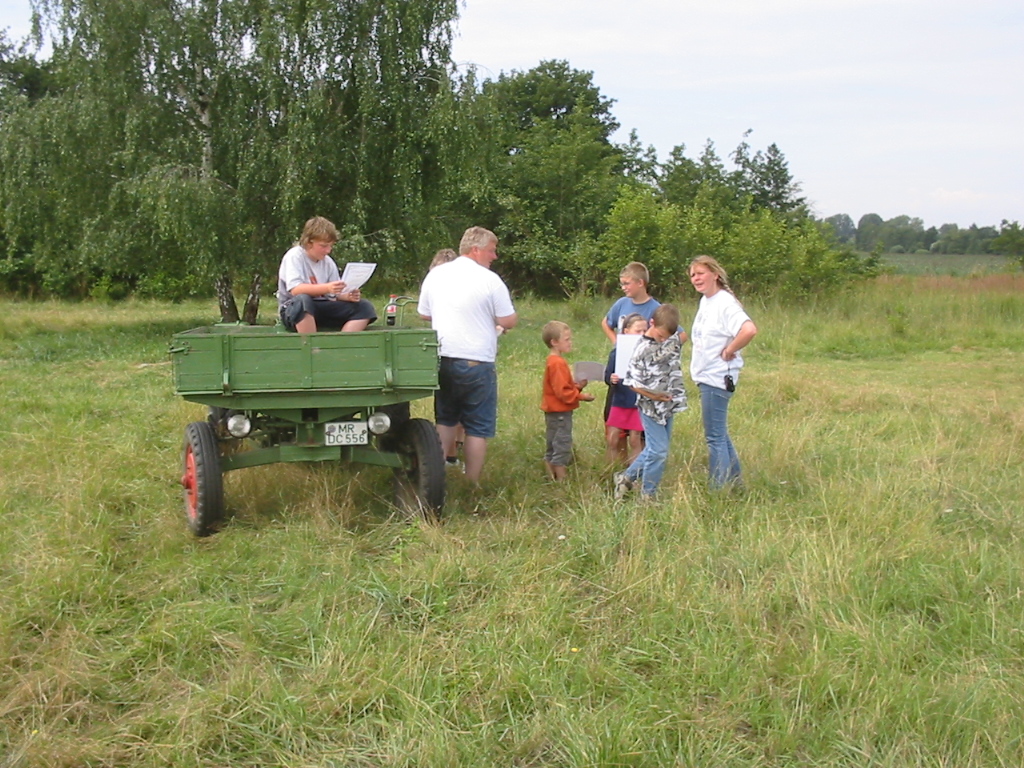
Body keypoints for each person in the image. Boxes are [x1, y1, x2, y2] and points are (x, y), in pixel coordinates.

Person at [418, 227, 518, 484]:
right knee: (477, 427)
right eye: (491, 251)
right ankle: (471, 482)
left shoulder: (436, 275)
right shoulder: (489, 280)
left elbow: (424, 313)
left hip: (442, 358)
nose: (494, 256)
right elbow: (508, 319)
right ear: (476, 250)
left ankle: (435, 480)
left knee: (446, 419)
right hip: (476, 361)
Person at [688, 255, 758, 490]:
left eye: (700, 273)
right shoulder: (706, 301)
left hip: (717, 378)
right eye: (692, 275)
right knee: (720, 433)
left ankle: (716, 490)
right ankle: (737, 485)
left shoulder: (725, 303)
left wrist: (730, 349)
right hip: (705, 376)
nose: (696, 278)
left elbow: (748, 330)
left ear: (715, 274)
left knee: (714, 438)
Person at [614, 304, 687, 502]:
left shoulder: (671, 338)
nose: (663, 339)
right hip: (650, 406)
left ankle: (625, 478)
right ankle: (648, 495)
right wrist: (654, 396)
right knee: (659, 451)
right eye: (661, 335)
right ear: (651, 323)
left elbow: (681, 335)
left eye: (667, 336)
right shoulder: (641, 348)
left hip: (669, 404)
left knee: (656, 449)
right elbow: (632, 383)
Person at [276, 216, 377, 333]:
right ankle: (311, 347)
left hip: (321, 307)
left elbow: (333, 295)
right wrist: (327, 287)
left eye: (330, 246)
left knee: (364, 306)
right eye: (323, 246)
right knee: (303, 300)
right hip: (293, 310)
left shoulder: (328, 262)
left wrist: (346, 296)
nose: (328, 250)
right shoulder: (295, 256)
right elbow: (296, 290)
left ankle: (341, 346)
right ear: (309, 242)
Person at [540, 321, 595, 481]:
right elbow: (562, 392)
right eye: (567, 339)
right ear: (554, 342)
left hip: (553, 410)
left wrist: (577, 387)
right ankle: (561, 480)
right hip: (560, 412)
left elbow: (561, 387)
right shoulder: (557, 363)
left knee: (552, 443)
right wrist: (582, 396)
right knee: (562, 444)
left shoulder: (552, 361)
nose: (570, 342)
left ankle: (550, 478)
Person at [603, 313, 648, 467]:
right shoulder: (616, 353)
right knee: (613, 438)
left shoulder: (647, 353)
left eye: (644, 331)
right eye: (638, 331)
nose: (642, 334)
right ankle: (611, 469)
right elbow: (607, 375)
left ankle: (633, 474)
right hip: (620, 400)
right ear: (627, 331)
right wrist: (612, 379)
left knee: (635, 439)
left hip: (637, 402)